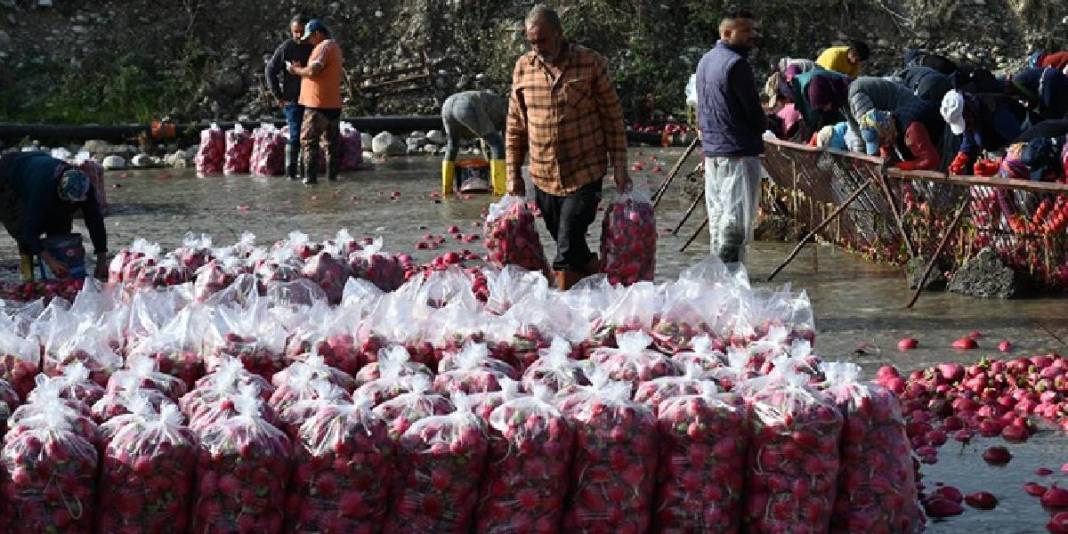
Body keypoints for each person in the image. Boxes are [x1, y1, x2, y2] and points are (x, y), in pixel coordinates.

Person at [505, 4, 630, 290]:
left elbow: (612, 117)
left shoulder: (590, 63)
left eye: (543, 40)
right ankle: (594, 274)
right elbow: (515, 125)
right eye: (532, 42)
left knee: (566, 244)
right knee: (568, 242)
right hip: (543, 174)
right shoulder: (524, 67)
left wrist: (620, 167)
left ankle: (565, 312)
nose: (538, 48)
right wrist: (512, 173)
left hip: (585, 172)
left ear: (560, 33)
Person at [695, 9, 766, 264]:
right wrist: (765, 122)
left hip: (714, 150)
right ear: (726, 33)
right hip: (737, 150)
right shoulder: (737, 65)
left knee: (718, 217)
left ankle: (720, 276)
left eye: (752, 30)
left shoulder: (705, 60)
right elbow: (751, 109)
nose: (751, 36)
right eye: (745, 31)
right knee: (735, 222)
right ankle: (730, 276)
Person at [0, 151, 108, 279]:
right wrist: (50, 261)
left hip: (40, 162)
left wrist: (102, 260)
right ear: (60, 191)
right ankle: (27, 272)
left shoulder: (85, 187)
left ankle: (59, 269)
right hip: (10, 171)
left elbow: (95, 221)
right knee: (21, 226)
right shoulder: (43, 190)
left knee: (61, 229)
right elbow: (29, 230)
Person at [287, 19, 344, 185]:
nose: (309, 42)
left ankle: (310, 181)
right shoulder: (334, 48)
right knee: (331, 145)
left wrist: (295, 70)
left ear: (317, 34)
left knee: (308, 143)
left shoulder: (324, 46)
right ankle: (332, 179)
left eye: (310, 37)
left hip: (318, 105)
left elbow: (313, 70)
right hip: (333, 105)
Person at [265, 14, 314, 181]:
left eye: (301, 32)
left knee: (310, 138)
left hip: (312, 100)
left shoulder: (315, 47)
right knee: (295, 136)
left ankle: (308, 172)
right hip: (292, 100)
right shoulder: (287, 47)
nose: (298, 36)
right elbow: (270, 70)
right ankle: (291, 174)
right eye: (295, 32)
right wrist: (278, 96)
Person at [941, 90, 1028, 175]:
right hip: (1001, 152)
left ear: (968, 108)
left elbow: (1020, 144)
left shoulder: (996, 113)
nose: (967, 126)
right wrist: (962, 156)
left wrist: (1000, 165)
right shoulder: (972, 117)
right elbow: (969, 136)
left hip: (1021, 148)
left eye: (966, 122)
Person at [440, 90, 508, 196]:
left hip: (447, 105)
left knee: (452, 145)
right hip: (466, 105)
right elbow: (506, 141)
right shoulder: (508, 109)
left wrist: (489, 162)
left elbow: (484, 141)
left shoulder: (493, 102)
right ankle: (501, 191)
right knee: (497, 143)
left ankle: (446, 190)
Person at [857, 100, 945, 171]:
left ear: (884, 132)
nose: (881, 145)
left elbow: (931, 160)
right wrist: (885, 159)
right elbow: (885, 146)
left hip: (945, 136)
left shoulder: (912, 131)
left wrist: (899, 167)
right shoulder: (891, 123)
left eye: (881, 141)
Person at [844, 77, 921, 153]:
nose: (881, 145)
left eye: (881, 141)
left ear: (886, 132)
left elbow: (929, 159)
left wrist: (901, 165)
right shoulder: (887, 128)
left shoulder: (911, 128)